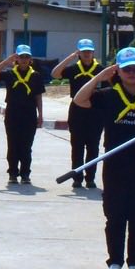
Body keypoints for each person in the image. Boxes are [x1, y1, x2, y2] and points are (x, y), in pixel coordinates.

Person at [73, 47, 135, 269]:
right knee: (114, 215)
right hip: (115, 165)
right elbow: (80, 100)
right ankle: (114, 260)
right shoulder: (108, 95)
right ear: (118, 70)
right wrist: (99, 76)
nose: (132, 73)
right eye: (126, 69)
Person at [54, 39, 104, 189]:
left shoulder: (100, 70)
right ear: (79, 53)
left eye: (89, 51)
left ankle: (90, 178)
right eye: (83, 52)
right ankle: (77, 178)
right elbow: (55, 74)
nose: (87, 54)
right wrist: (69, 58)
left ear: (93, 52)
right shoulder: (74, 69)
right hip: (77, 110)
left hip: (96, 110)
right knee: (77, 146)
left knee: (93, 147)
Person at [0, 44, 44, 183]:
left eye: (27, 57)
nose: (24, 60)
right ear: (17, 59)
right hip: (13, 113)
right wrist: (6, 61)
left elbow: (38, 96)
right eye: (21, 57)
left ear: (30, 59)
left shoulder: (35, 76)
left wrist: (40, 115)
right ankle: (13, 173)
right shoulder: (10, 74)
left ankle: (25, 173)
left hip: (29, 113)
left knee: (26, 146)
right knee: (13, 145)